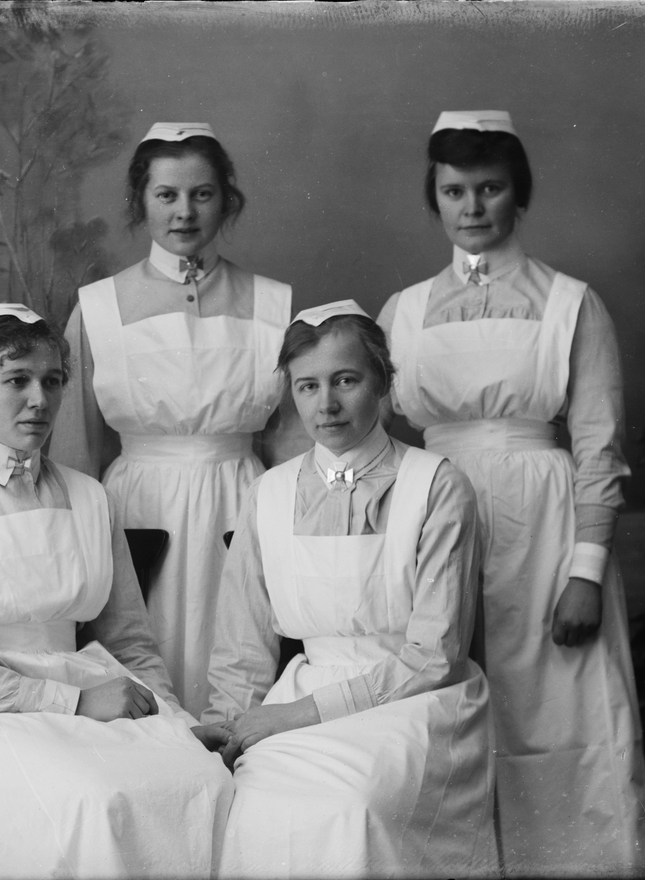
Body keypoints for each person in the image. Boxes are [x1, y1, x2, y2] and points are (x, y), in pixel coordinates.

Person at [377, 110, 645, 875]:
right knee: (444, 714)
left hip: (545, 531)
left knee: (559, 716)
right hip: (436, 523)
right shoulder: (403, 311)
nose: (472, 207)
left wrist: (585, 573)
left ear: (519, 194)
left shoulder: (571, 303)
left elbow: (599, 444)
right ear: (434, 197)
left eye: (491, 188)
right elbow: (366, 437)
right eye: (454, 191)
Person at [0, 303, 234, 879]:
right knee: (90, 799)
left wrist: (172, 718)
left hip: (85, 686)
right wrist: (73, 702)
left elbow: (129, 640)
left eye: (52, 381)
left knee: (199, 778)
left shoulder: (91, 496)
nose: (39, 400)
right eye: (17, 380)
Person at [201, 301, 497, 878]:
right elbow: (242, 645)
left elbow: (434, 657)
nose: (326, 404)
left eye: (346, 380)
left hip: (416, 703)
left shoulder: (437, 486)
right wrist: (231, 726)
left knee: (348, 807)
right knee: (250, 800)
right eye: (307, 386)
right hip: (300, 692)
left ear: (383, 381)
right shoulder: (269, 492)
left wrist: (293, 716)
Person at [49, 122, 305, 717]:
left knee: (240, 658)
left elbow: (295, 444)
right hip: (139, 508)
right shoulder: (98, 308)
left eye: (202, 194)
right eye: (167, 195)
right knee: (146, 660)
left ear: (227, 199)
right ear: (140, 200)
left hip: (240, 501)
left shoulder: (274, 304)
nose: (184, 212)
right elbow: (75, 450)